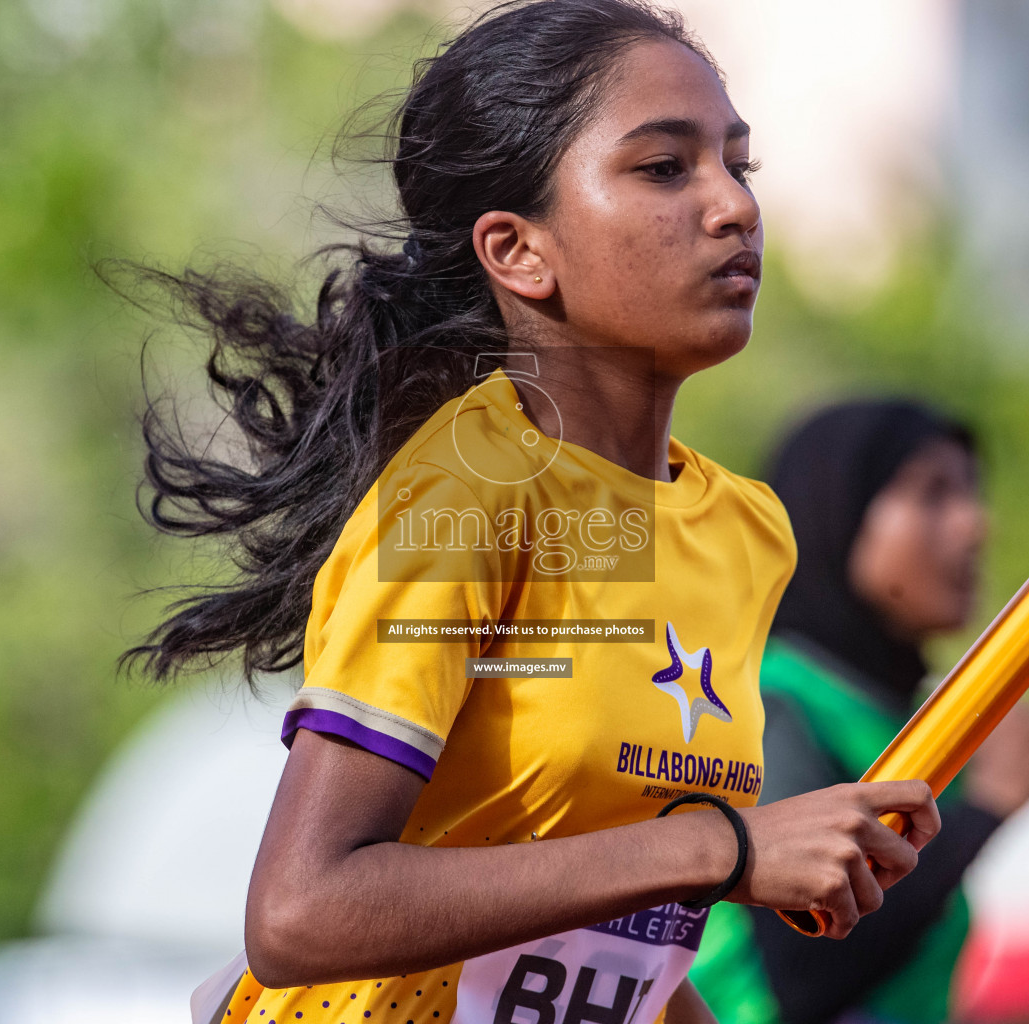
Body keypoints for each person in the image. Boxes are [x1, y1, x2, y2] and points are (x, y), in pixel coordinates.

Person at [129, 4, 943, 1022]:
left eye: (740, 166)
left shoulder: (745, 529)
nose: (733, 206)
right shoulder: (463, 496)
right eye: (664, 168)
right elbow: (298, 913)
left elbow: (622, 950)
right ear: (517, 251)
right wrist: (726, 849)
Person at [689, 399, 1029, 1024]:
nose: (975, 524)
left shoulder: (902, 719)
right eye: (932, 493)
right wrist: (984, 810)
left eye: (972, 493)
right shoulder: (768, 706)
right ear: (835, 511)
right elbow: (805, 968)